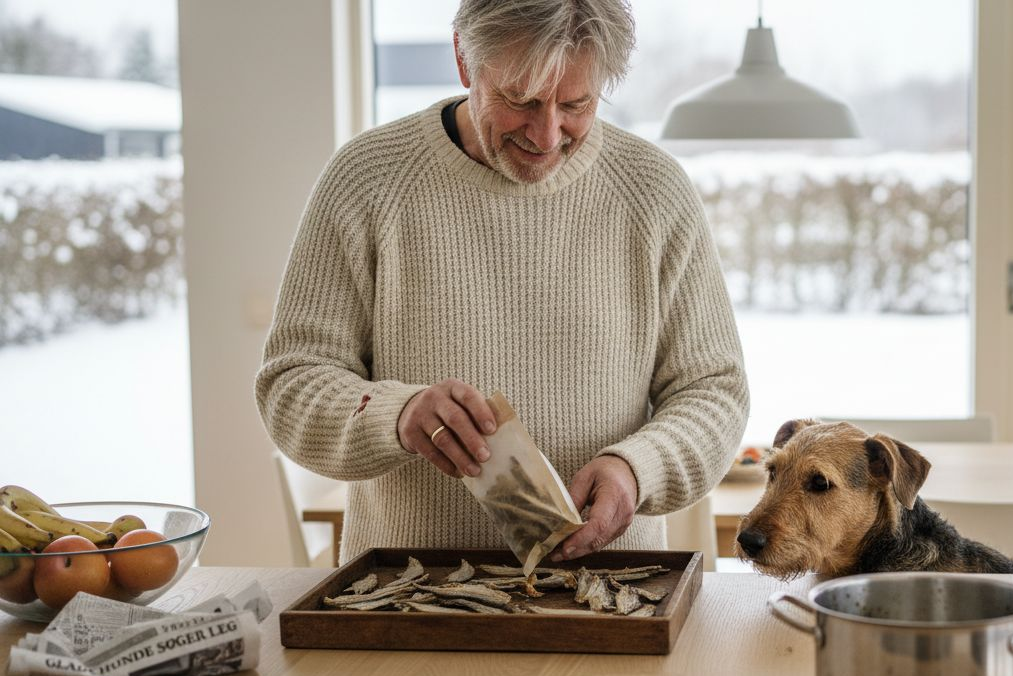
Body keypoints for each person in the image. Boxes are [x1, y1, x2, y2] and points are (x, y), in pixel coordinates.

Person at [255, 0, 748, 564]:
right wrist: (398, 413)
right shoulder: (367, 180)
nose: (548, 134)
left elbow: (715, 392)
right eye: (521, 100)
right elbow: (291, 384)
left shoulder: (654, 191)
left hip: (607, 595)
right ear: (465, 61)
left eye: (576, 103)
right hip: (411, 594)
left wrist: (636, 469)